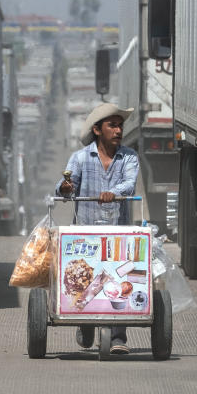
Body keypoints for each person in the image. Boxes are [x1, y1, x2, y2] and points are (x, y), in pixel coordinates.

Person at [56, 102, 140, 355]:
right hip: (86, 233)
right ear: (97, 130)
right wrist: (66, 188)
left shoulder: (129, 157)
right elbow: (66, 185)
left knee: (118, 279)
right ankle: (86, 322)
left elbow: (128, 185)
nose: (118, 130)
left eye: (120, 126)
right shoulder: (80, 157)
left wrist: (112, 193)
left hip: (118, 232)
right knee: (86, 279)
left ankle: (118, 337)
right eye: (112, 125)